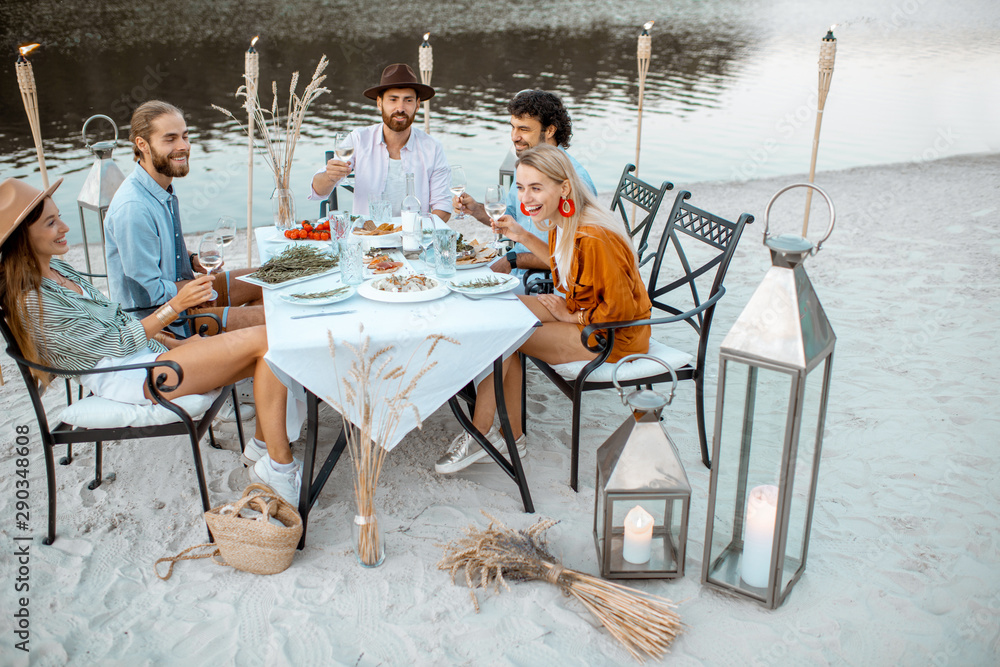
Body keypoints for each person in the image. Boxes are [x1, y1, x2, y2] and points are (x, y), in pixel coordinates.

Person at [0, 177, 300, 503]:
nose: (65, 227)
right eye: (51, 222)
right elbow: (112, 344)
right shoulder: (32, 299)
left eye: (59, 216)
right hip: (127, 375)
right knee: (267, 340)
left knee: (271, 341)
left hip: (146, 355)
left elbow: (117, 318)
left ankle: (264, 451)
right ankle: (278, 466)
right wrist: (176, 306)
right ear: (22, 238)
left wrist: (177, 345)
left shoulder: (59, 271)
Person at [435, 145, 651, 473]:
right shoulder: (564, 219)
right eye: (521, 188)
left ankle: (482, 432)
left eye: (536, 188)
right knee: (496, 308)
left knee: (506, 331)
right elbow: (560, 261)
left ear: (564, 187)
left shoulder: (593, 236)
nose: (526, 198)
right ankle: (512, 435)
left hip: (612, 334)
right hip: (583, 309)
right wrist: (520, 233)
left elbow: (621, 310)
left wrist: (572, 316)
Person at [104, 100, 265, 338]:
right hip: (167, 324)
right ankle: (228, 348)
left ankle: (236, 346)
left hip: (184, 296)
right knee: (271, 317)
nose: (183, 146)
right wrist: (195, 296)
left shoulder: (159, 186)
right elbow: (147, 296)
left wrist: (191, 260)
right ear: (142, 144)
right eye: (170, 139)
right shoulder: (133, 208)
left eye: (185, 136)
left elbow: (158, 252)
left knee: (269, 281)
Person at [452, 90, 598, 276]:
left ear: (550, 130)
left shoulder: (574, 182)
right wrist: (476, 209)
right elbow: (512, 215)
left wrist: (514, 260)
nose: (514, 136)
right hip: (515, 268)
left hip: (542, 282)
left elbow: (578, 258)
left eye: (524, 129)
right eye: (513, 127)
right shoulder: (527, 164)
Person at [308, 64, 451, 220]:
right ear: (379, 103)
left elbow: (443, 207)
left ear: (417, 105)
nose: (400, 108)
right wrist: (330, 176)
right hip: (367, 238)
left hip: (414, 239)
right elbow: (318, 192)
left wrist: (419, 232)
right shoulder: (358, 139)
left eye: (408, 100)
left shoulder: (433, 147)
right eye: (393, 100)